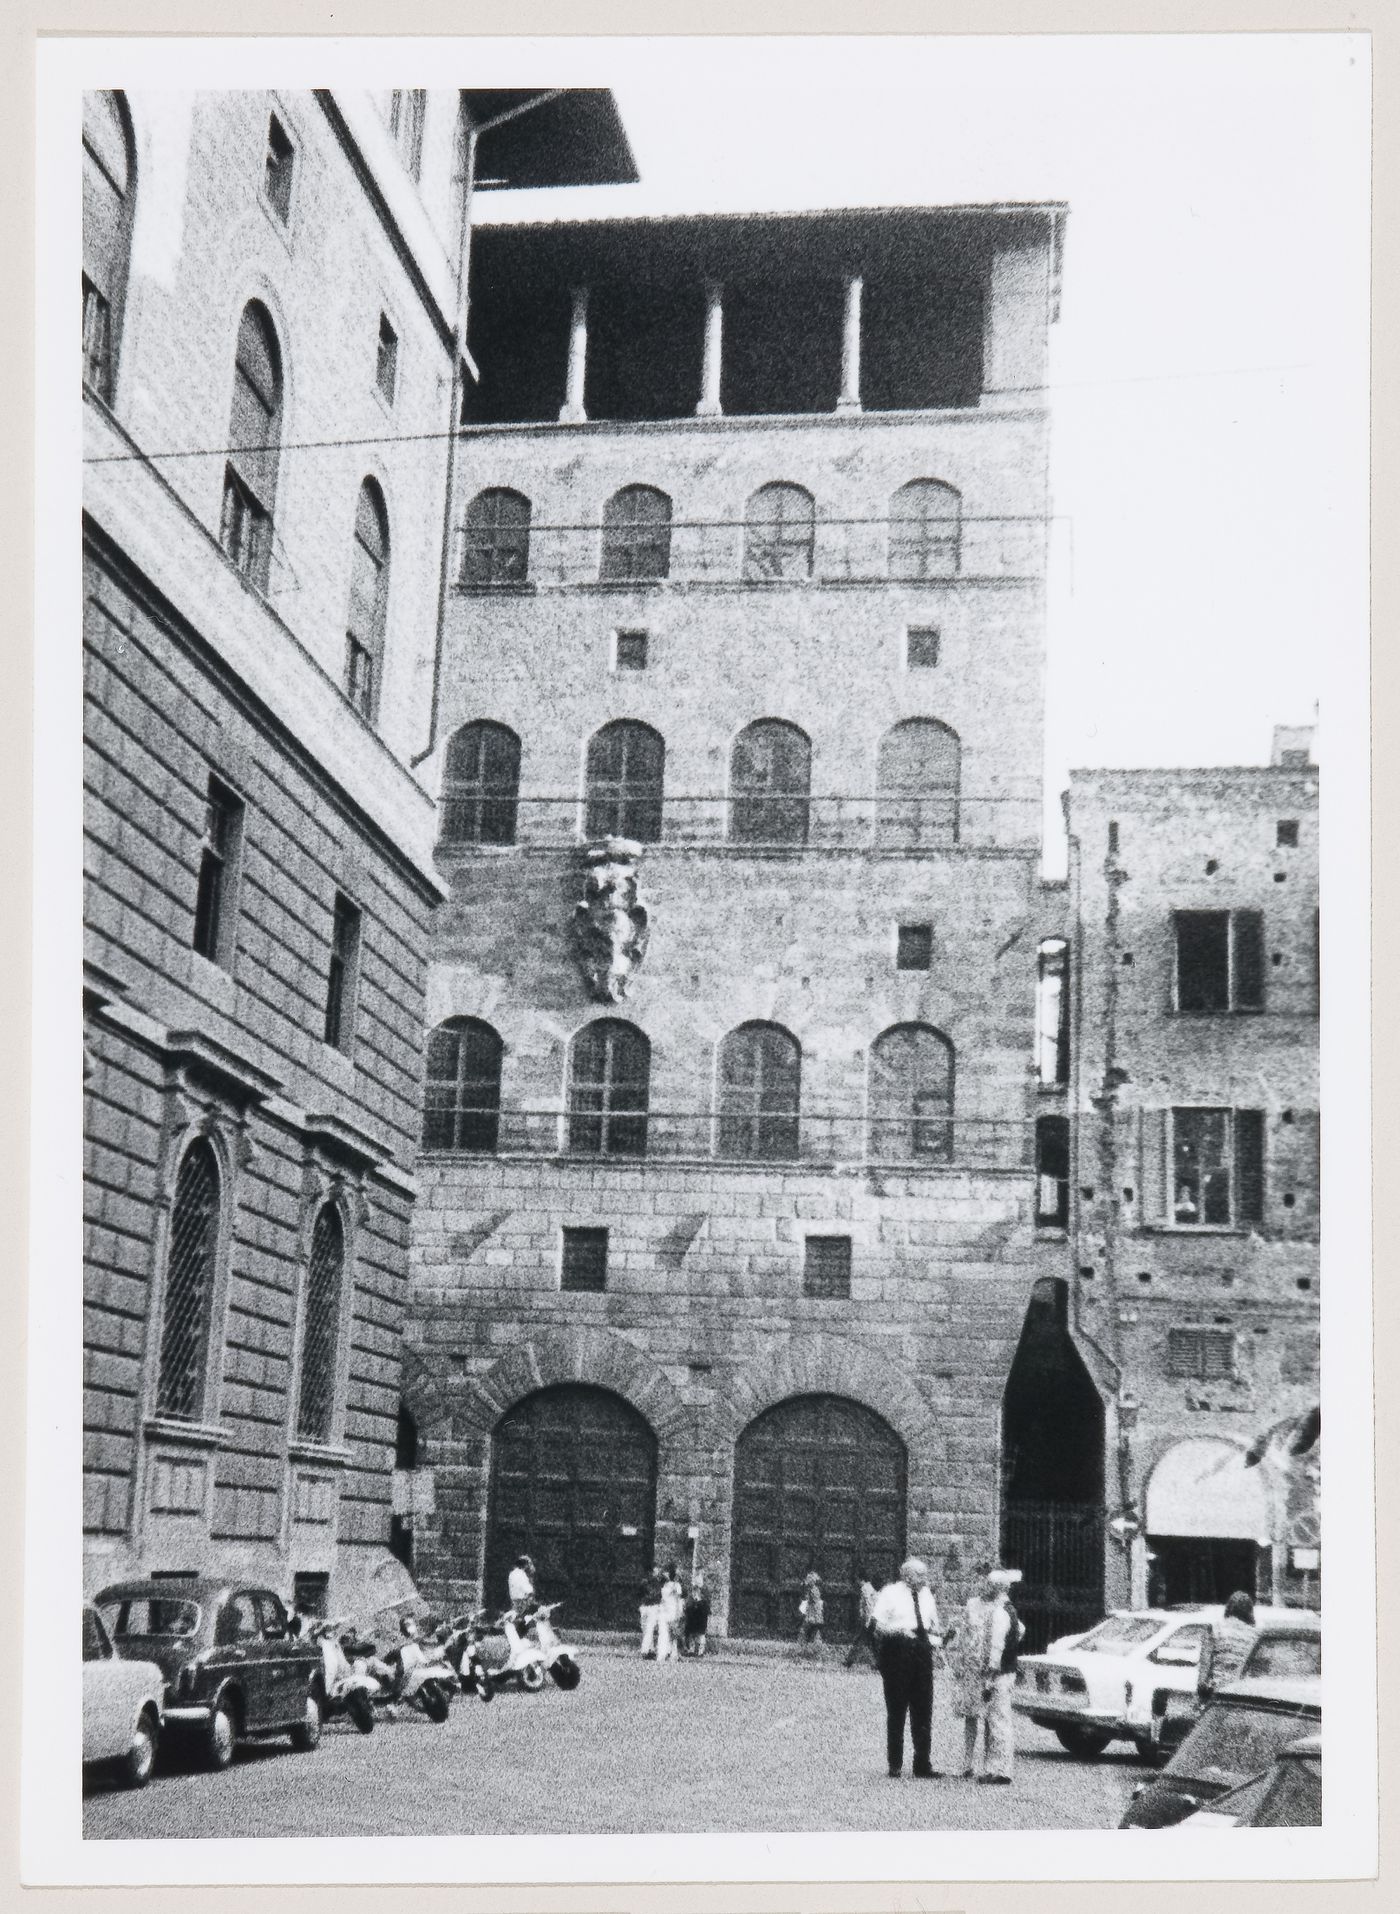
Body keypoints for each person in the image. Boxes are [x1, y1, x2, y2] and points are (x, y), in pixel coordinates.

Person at [948, 1565, 1024, 1783]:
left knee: (998, 1721)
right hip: (989, 1669)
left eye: (990, 1584)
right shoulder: (1005, 1609)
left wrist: (990, 1671)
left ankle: (1001, 1770)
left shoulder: (1001, 1612)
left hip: (995, 1672)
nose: (985, 1587)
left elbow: (996, 1647)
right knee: (993, 1719)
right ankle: (991, 1768)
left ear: (998, 1588)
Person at [871, 1557, 943, 1778]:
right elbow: (876, 1624)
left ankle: (922, 1763)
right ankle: (895, 1763)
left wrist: (938, 1639)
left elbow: (932, 1623)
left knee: (923, 1708)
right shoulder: (890, 1593)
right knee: (897, 1709)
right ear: (907, 1575)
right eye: (920, 1575)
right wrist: (899, 1632)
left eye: (925, 1575)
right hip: (898, 1650)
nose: (925, 1579)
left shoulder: (927, 1594)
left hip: (922, 1651)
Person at [1201, 1589, 1258, 1695]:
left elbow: (1205, 1664)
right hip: (1242, 1691)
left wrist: (1201, 1689)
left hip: (1217, 1689)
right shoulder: (1254, 1633)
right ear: (1250, 1610)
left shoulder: (1215, 1628)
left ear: (1229, 1608)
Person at [844, 1567, 880, 1669]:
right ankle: (879, 1663)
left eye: (858, 1580)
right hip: (872, 1618)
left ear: (861, 1579)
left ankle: (849, 1661)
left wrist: (867, 1620)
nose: (857, 1582)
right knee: (873, 1643)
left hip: (867, 1619)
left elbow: (868, 1605)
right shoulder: (870, 1587)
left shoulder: (865, 1588)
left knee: (859, 1640)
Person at [657, 1562, 685, 1662]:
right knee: (669, 1634)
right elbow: (675, 1599)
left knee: (668, 1634)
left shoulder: (670, 1586)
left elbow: (675, 1600)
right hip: (669, 1611)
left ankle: (668, 1653)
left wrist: (678, 1612)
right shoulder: (672, 1586)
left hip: (669, 1611)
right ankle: (669, 1654)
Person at [683, 1571, 711, 1657]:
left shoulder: (705, 1592)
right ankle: (692, 1650)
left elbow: (706, 1604)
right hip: (694, 1613)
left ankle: (699, 1651)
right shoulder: (693, 1591)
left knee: (700, 1634)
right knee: (693, 1633)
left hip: (700, 1613)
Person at [639, 1566, 664, 1658]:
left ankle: (650, 1649)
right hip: (652, 1607)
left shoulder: (644, 1582)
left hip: (644, 1606)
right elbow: (657, 1595)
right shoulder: (657, 1583)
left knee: (646, 1629)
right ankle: (646, 1650)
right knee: (649, 1629)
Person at [798, 1570, 825, 1652]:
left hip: (811, 1615)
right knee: (815, 1632)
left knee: (803, 1631)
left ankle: (802, 1648)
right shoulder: (816, 1590)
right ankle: (817, 1648)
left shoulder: (812, 1591)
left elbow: (812, 1602)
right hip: (816, 1615)